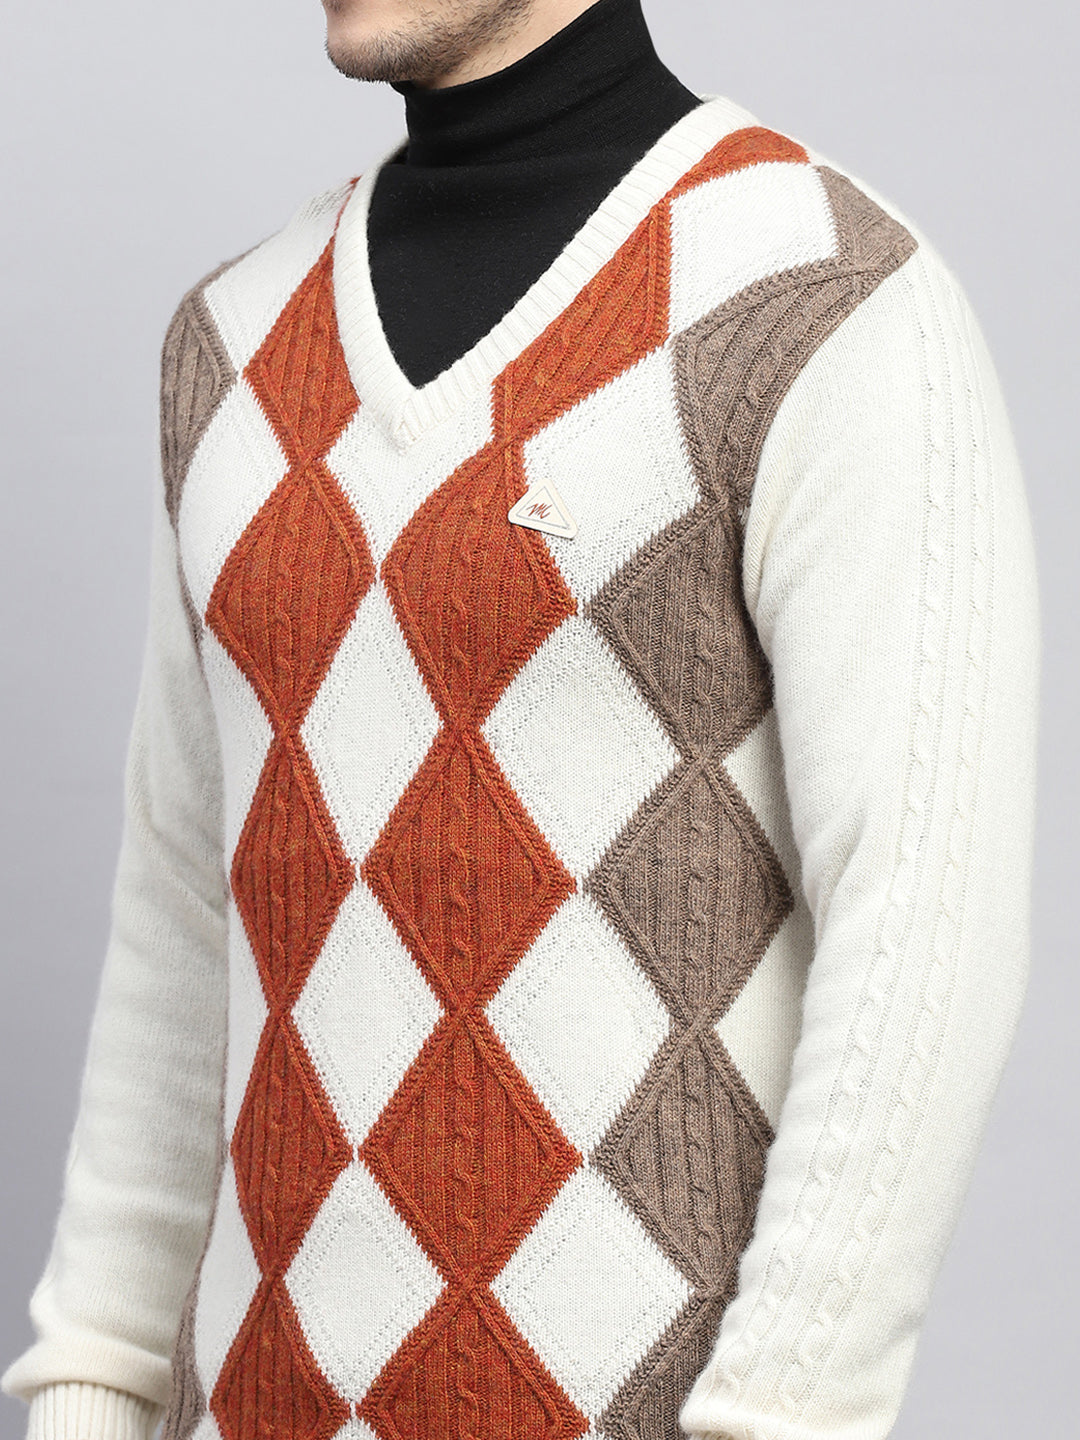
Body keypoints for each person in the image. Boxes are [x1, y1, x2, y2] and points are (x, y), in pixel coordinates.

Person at [2, 0, 1040, 1437]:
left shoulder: (820, 298)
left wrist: (785, 1414)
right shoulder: (231, 348)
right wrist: (90, 1388)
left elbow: (925, 927)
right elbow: (182, 918)